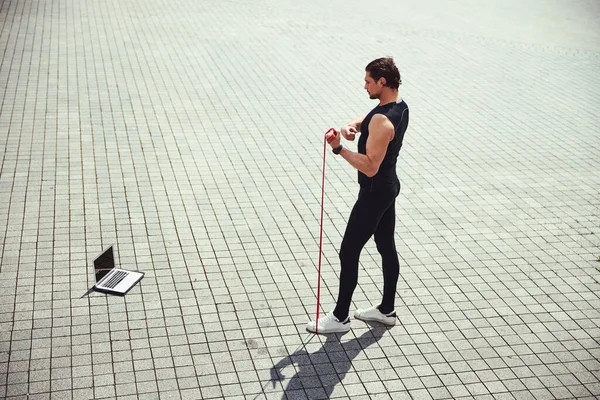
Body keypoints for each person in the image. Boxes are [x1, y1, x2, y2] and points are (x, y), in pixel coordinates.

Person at [307, 57, 409, 334]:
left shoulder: (382, 122)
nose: (364, 86)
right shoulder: (397, 107)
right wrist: (351, 127)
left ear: (382, 82)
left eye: (368, 81)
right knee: (386, 245)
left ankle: (340, 317)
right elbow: (365, 121)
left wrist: (339, 148)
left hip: (375, 192)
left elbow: (370, 166)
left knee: (349, 251)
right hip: (389, 187)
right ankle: (386, 310)